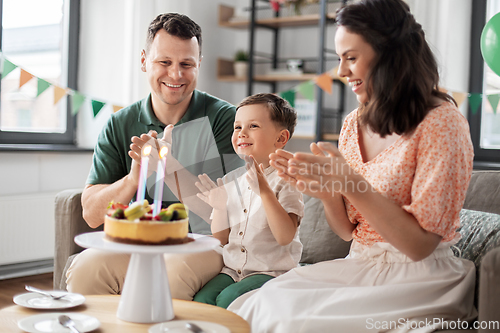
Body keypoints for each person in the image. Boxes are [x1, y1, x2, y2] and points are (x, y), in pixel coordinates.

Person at [229, 0, 477, 331]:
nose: (342, 72)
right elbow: (348, 231)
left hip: (417, 277)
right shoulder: (353, 123)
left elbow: (420, 246)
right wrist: (328, 192)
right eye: (339, 59)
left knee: (290, 320)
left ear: (390, 54)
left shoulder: (442, 123)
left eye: (351, 58)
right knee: (257, 302)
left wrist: (349, 183)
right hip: (360, 263)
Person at [66, 13, 241, 300]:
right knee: (87, 269)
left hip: (203, 244)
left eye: (186, 64)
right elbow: (92, 213)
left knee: (170, 273)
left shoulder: (225, 119)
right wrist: (134, 178)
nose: (176, 75)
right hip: (137, 242)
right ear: (144, 60)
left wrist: (169, 168)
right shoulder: (119, 123)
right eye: (164, 62)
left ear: (199, 65)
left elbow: (227, 216)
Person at [192, 93, 304, 309]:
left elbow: (284, 237)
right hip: (232, 270)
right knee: (201, 301)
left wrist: (265, 193)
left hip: (271, 272)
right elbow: (221, 238)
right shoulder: (229, 180)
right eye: (237, 127)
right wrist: (219, 207)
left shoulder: (287, 179)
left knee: (228, 300)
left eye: (253, 126)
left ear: (280, 139)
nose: (242, 133)